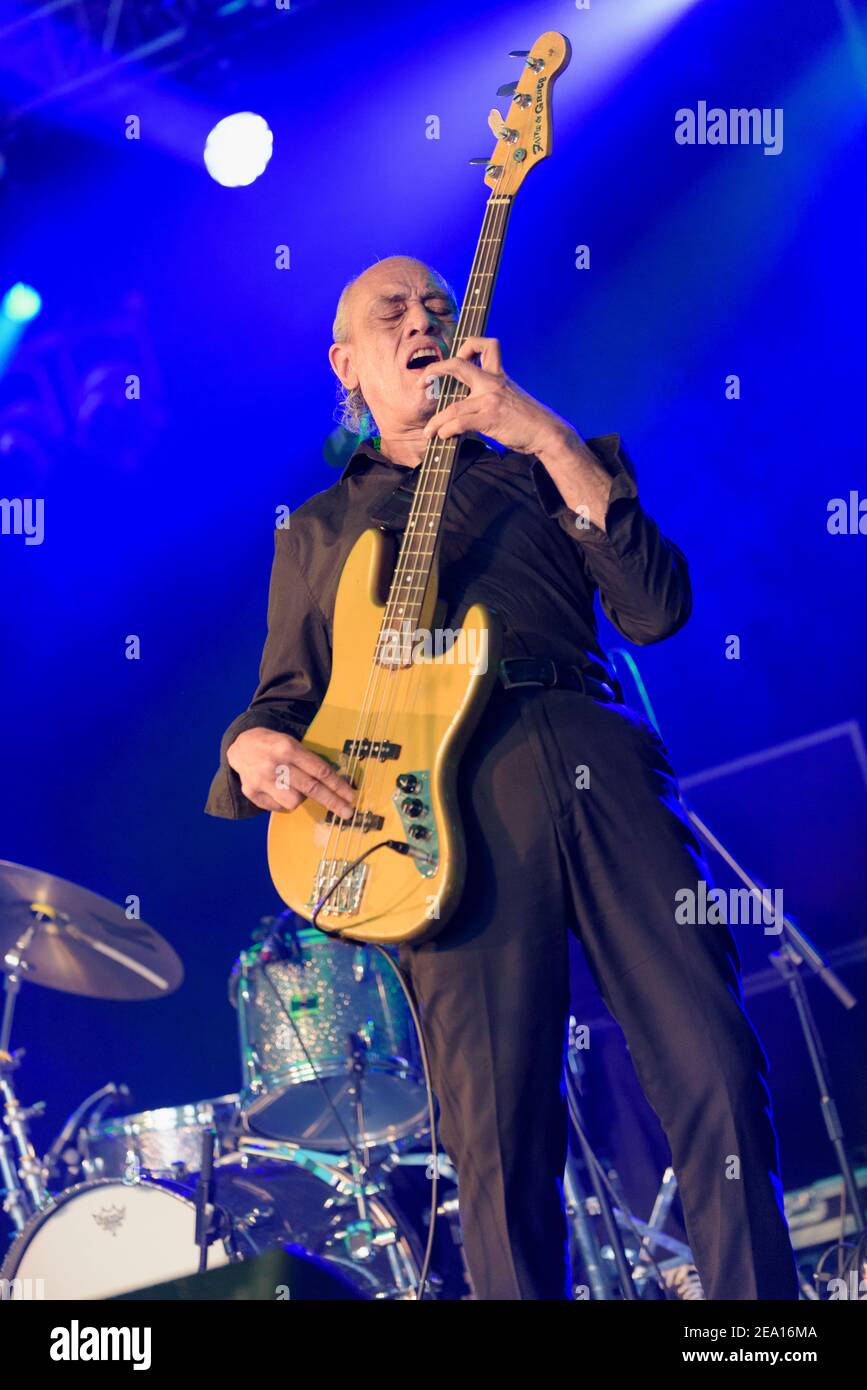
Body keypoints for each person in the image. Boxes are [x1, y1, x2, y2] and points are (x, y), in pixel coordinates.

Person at [206, 255, 799, 1300]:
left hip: (593, 755)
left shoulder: (540, 458)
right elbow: (282, 703)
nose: (421, 318)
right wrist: (247, 752)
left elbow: (656, 609)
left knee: (711, 1060)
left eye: (437, 305)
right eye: (391, 313)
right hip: (432, 817)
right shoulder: (316, 530)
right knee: (496, 1139)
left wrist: (536, 428)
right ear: (348, 364)